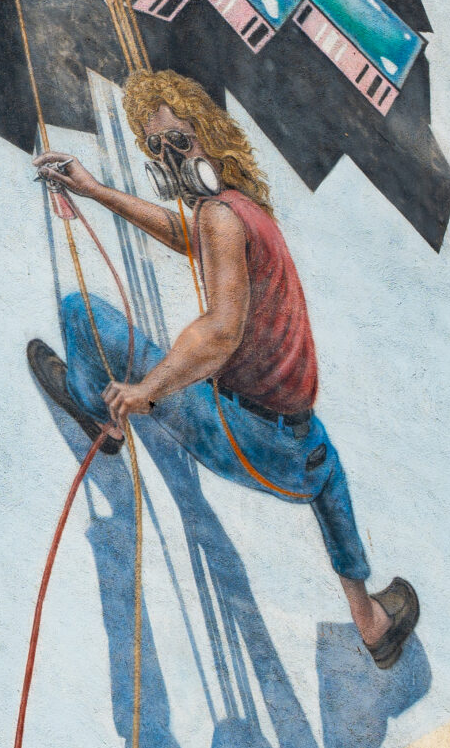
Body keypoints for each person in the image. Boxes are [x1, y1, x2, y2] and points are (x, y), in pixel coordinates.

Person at [28, 70, 419, 670]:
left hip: (235, 432)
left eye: (178, 141)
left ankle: (97, 416)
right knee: (327, 476)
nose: (170, 158)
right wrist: (98, 191)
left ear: (207, 134)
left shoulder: (221, 216)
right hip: (296, 448)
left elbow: (219, 331)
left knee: (84, 313)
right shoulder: (241, 211)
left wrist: (146, 391)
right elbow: (190, 236)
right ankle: (372, 623)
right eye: (157, 148)